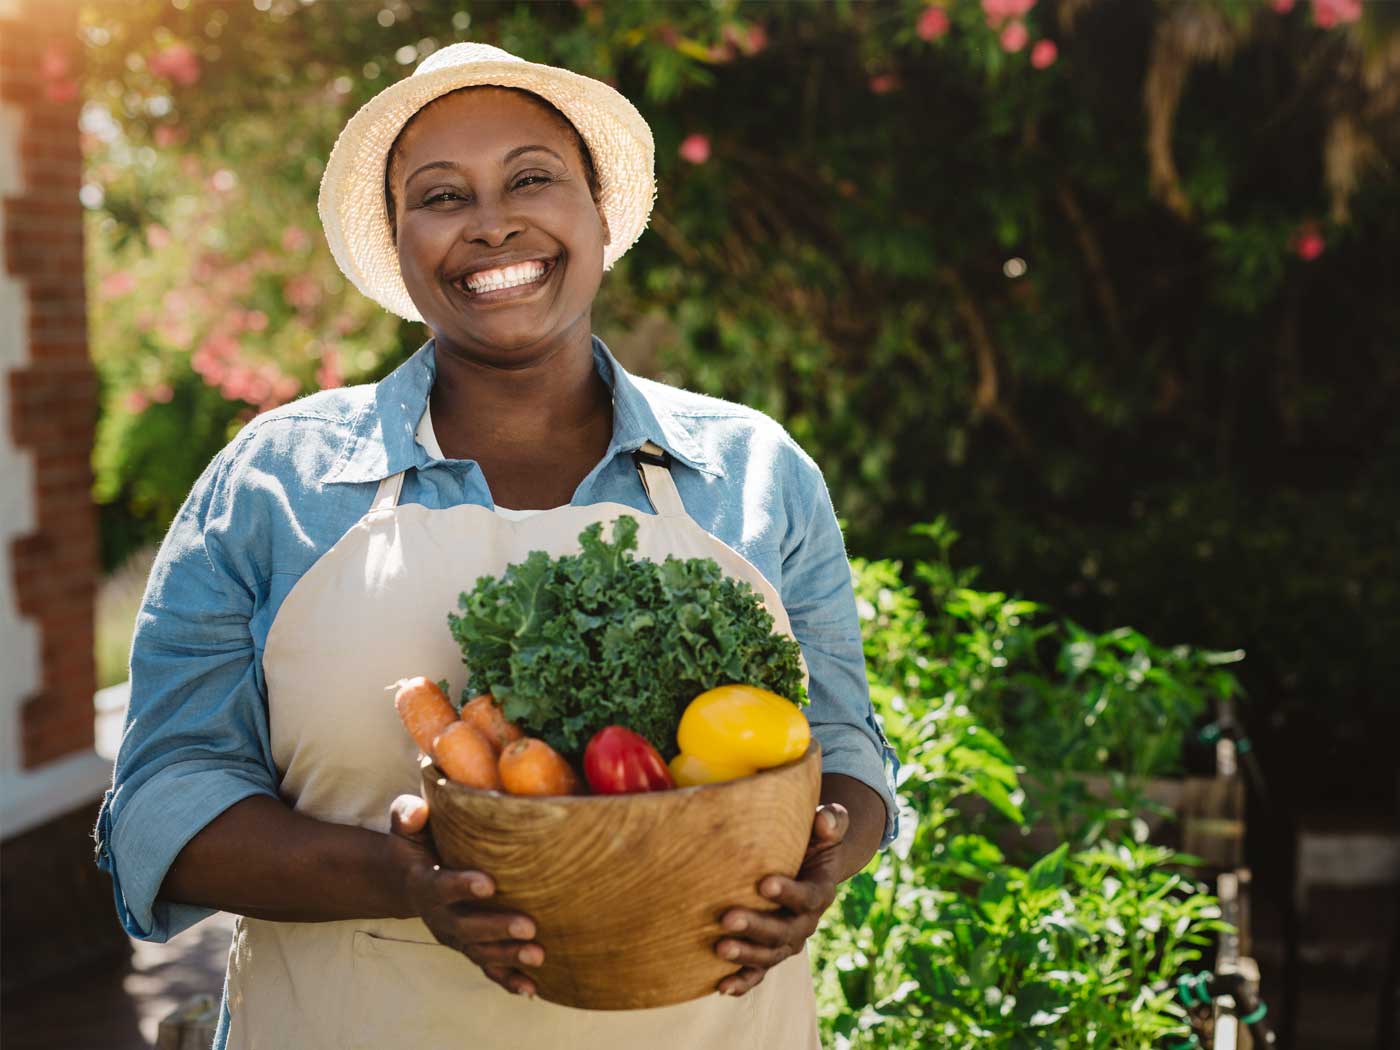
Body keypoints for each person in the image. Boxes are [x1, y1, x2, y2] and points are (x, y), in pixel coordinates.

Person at [95, 42, 898, 1050]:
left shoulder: (753, 469)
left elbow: (847, 747)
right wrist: (398, 878)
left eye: (531, 178)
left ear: (600, 213)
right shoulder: (274, 482)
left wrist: (821, 859)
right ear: (399, 248)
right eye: (441, 196)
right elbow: (163, 806)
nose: (491, 221)